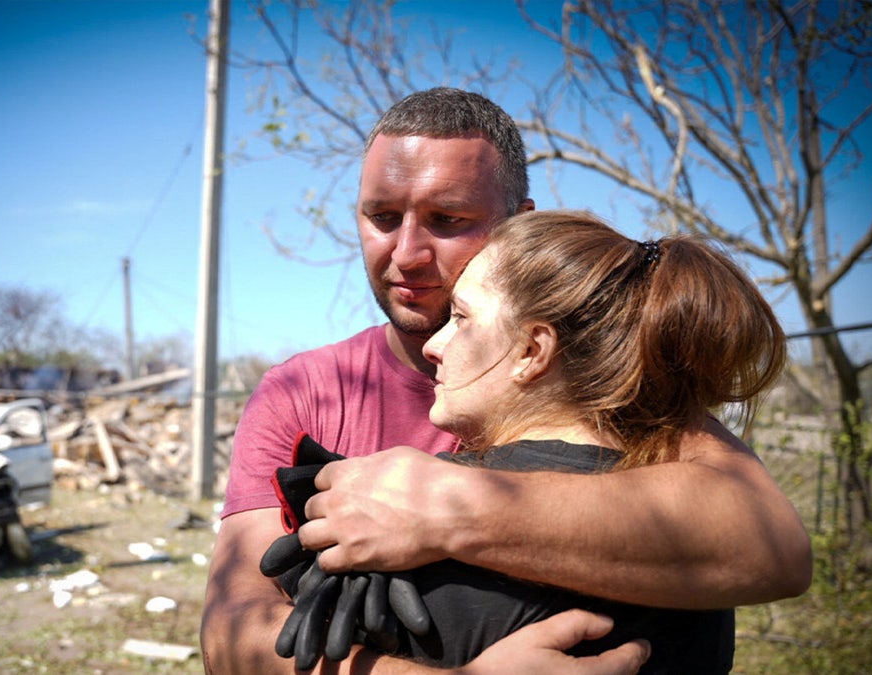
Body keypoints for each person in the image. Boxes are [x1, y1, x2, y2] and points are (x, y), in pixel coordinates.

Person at [200, 88, 812, 674]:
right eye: (382, 217)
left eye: (447, 219)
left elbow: (772, 547)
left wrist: (445, 507)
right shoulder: (306, 391)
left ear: (518, 225)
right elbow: (233, 635)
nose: (406, 253)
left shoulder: (608, 385)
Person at [268, 210, 789, 671]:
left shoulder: (396, 533)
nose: (435, 344)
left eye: (461, 318)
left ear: (532, 351)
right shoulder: (696, 549)